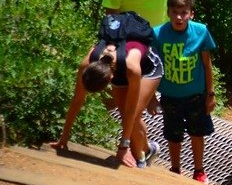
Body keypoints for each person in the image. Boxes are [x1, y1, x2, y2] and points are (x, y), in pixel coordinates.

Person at [51, 13, 163, 168]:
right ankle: (148, 149)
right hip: (119, 66)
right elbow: (77, 99)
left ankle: (141, 154)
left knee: (133, 114)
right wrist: (64, 137)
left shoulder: (132, 67)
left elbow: (131, 109)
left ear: (110, 79)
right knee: (125, 116)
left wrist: (123, 147)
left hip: (150, 67)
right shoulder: (87, 63)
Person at [152, 0, 217, 184]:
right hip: (170, 95)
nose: (179, 17)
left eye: (183, 12)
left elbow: (207, 64)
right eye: (174, 12)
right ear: (168, 13)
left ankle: (199, 170)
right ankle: (175, 168)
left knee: (197, 133)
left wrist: (210, 94)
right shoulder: (158, 34)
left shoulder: (201, 32)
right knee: (173, 133)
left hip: (196, 95)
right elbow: (153, 66)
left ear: (191, 14)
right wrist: (151, 97)